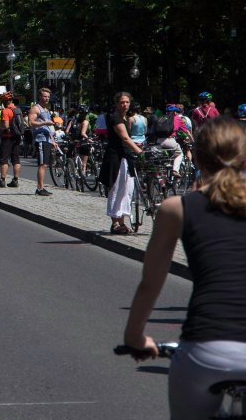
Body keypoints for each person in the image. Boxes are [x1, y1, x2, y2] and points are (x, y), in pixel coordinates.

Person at [121, 117, 246, 420]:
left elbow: (151, 282)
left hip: (207, 347)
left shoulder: (177, 208)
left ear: (198, 159)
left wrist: (136, 338)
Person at [102, 92, 144, 234]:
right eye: (121, 102)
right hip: (116, 157)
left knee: (127, 189)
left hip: (126, 156)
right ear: (116, 104)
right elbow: (125, 138)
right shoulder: (115, 118)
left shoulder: (125, 118)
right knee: (116, 188)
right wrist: (139, 151)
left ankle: (122, 222)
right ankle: (115, 223)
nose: (125, 104)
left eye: (127, 102)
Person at [27, 88, 55, 196]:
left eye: (48, 96)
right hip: (41, 139)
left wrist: (52, 140)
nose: (47, 98)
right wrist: (44, 122)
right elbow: (31, 123)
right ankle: (39, 188)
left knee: (45, 165)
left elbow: (48, 128)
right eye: (44, 96)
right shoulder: (36, 108)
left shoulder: (46, 110)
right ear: (40, 96)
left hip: (47, 139)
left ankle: (41, 187)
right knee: (42, 164)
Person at [0, 93, 22, 188]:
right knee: (16, 159)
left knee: (4, 159)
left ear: (5, 102)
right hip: (17, 136)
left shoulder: (6, 111)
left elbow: (6, 125)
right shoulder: (18, 110)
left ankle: (2, 180)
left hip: (7, 137)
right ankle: (15, 180)